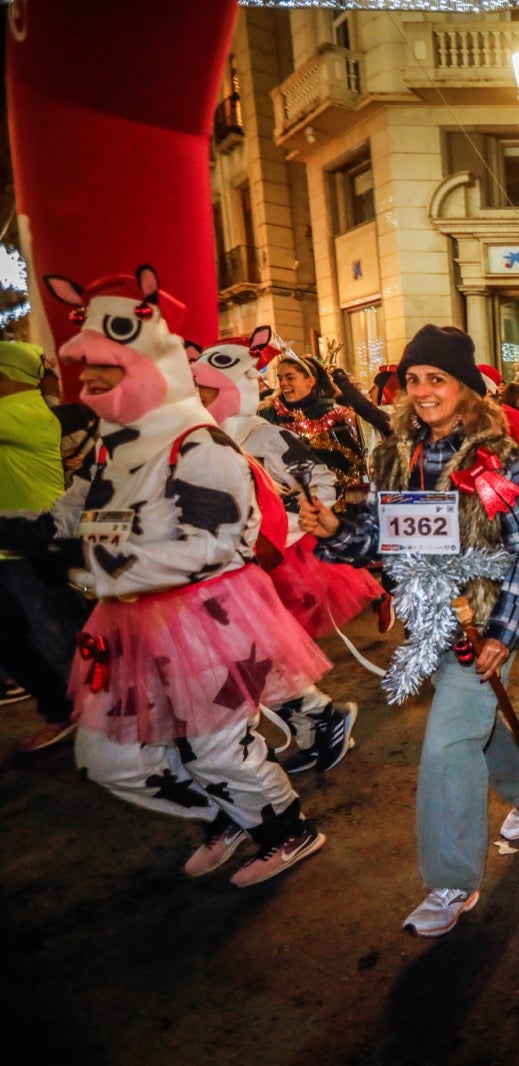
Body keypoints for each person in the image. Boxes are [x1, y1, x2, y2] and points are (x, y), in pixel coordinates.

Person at [14, 267, 331, 887]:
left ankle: (284, 828)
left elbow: (209, 547)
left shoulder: (200, 445)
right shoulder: (114, 446)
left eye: (108, 367)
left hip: (207, 621)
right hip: (128, 627)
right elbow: (63, 518)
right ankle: (232, 817)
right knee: (109, 759)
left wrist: (91, 566)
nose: (93, 381)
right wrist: (31, 536)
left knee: (215, 750)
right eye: (89, 370)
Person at [301, 324, 519, 936]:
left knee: (447, 743)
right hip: (426, 620)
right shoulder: (393, 453)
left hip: (484, 620)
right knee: (477, 726)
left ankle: (451, 881)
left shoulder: (497, 461)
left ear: (464, 388)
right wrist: (336, 526)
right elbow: (380, 537)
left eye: (435, 379)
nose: (421, 390)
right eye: (412, 379)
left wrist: (504, 631)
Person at [191, 334, 369, 773]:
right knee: (252, 653)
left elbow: (317, 476)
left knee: (258, 653)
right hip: (225, 562)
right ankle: (315, 721)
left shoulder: (262, 432)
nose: (199, 397)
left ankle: (318, 719)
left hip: (273, 559)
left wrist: (297, 517)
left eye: (208, 389)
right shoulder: (198, 436)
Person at [0, 340, 87, 752]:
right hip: (11, 547)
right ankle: (63, 711)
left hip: (37, 549)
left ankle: (97, 724)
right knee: (12, 644)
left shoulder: (27, 413)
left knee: (61, 644)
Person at [260, 347, 368, 512]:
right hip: (281, 503)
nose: (283, 383)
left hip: (329, 502)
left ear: (310, 381)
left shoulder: (334, 414)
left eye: (290, 377)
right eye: (280, 378)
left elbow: (352, 463)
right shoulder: (267, 414)